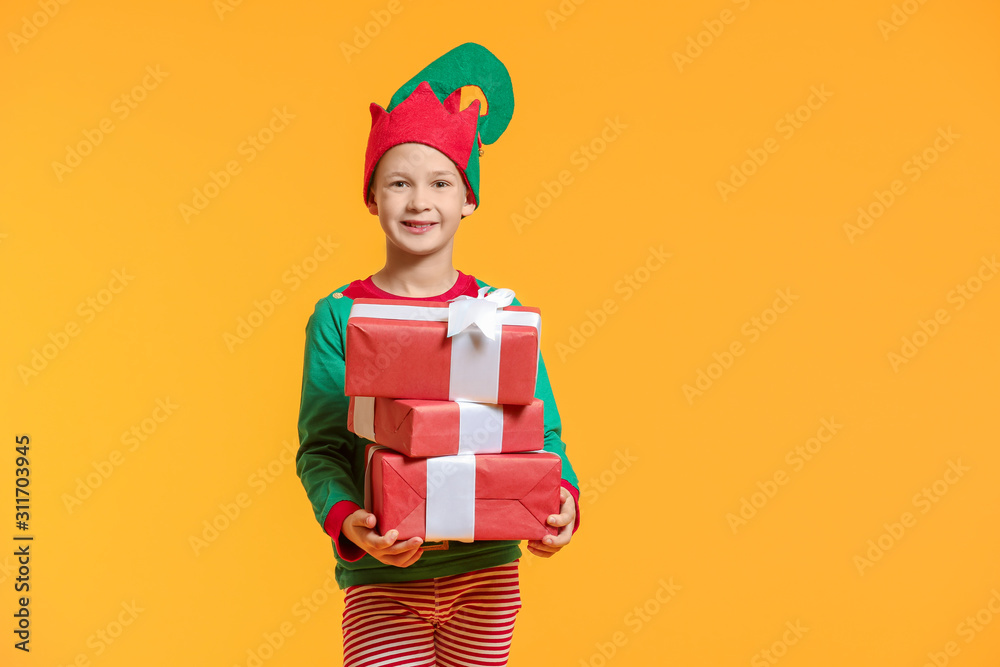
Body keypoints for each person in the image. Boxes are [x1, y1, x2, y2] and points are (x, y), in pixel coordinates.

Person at [295, 42, 580, 667]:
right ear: (372, 198)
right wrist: (348, 521)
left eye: (440, 182)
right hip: (384, 577)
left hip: (488, 574)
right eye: (398, 182)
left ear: (468, 198)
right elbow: (321, 446)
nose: (419, 201)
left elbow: (540, 431)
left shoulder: (499, 312)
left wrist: (563, 499)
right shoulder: (341, 316)